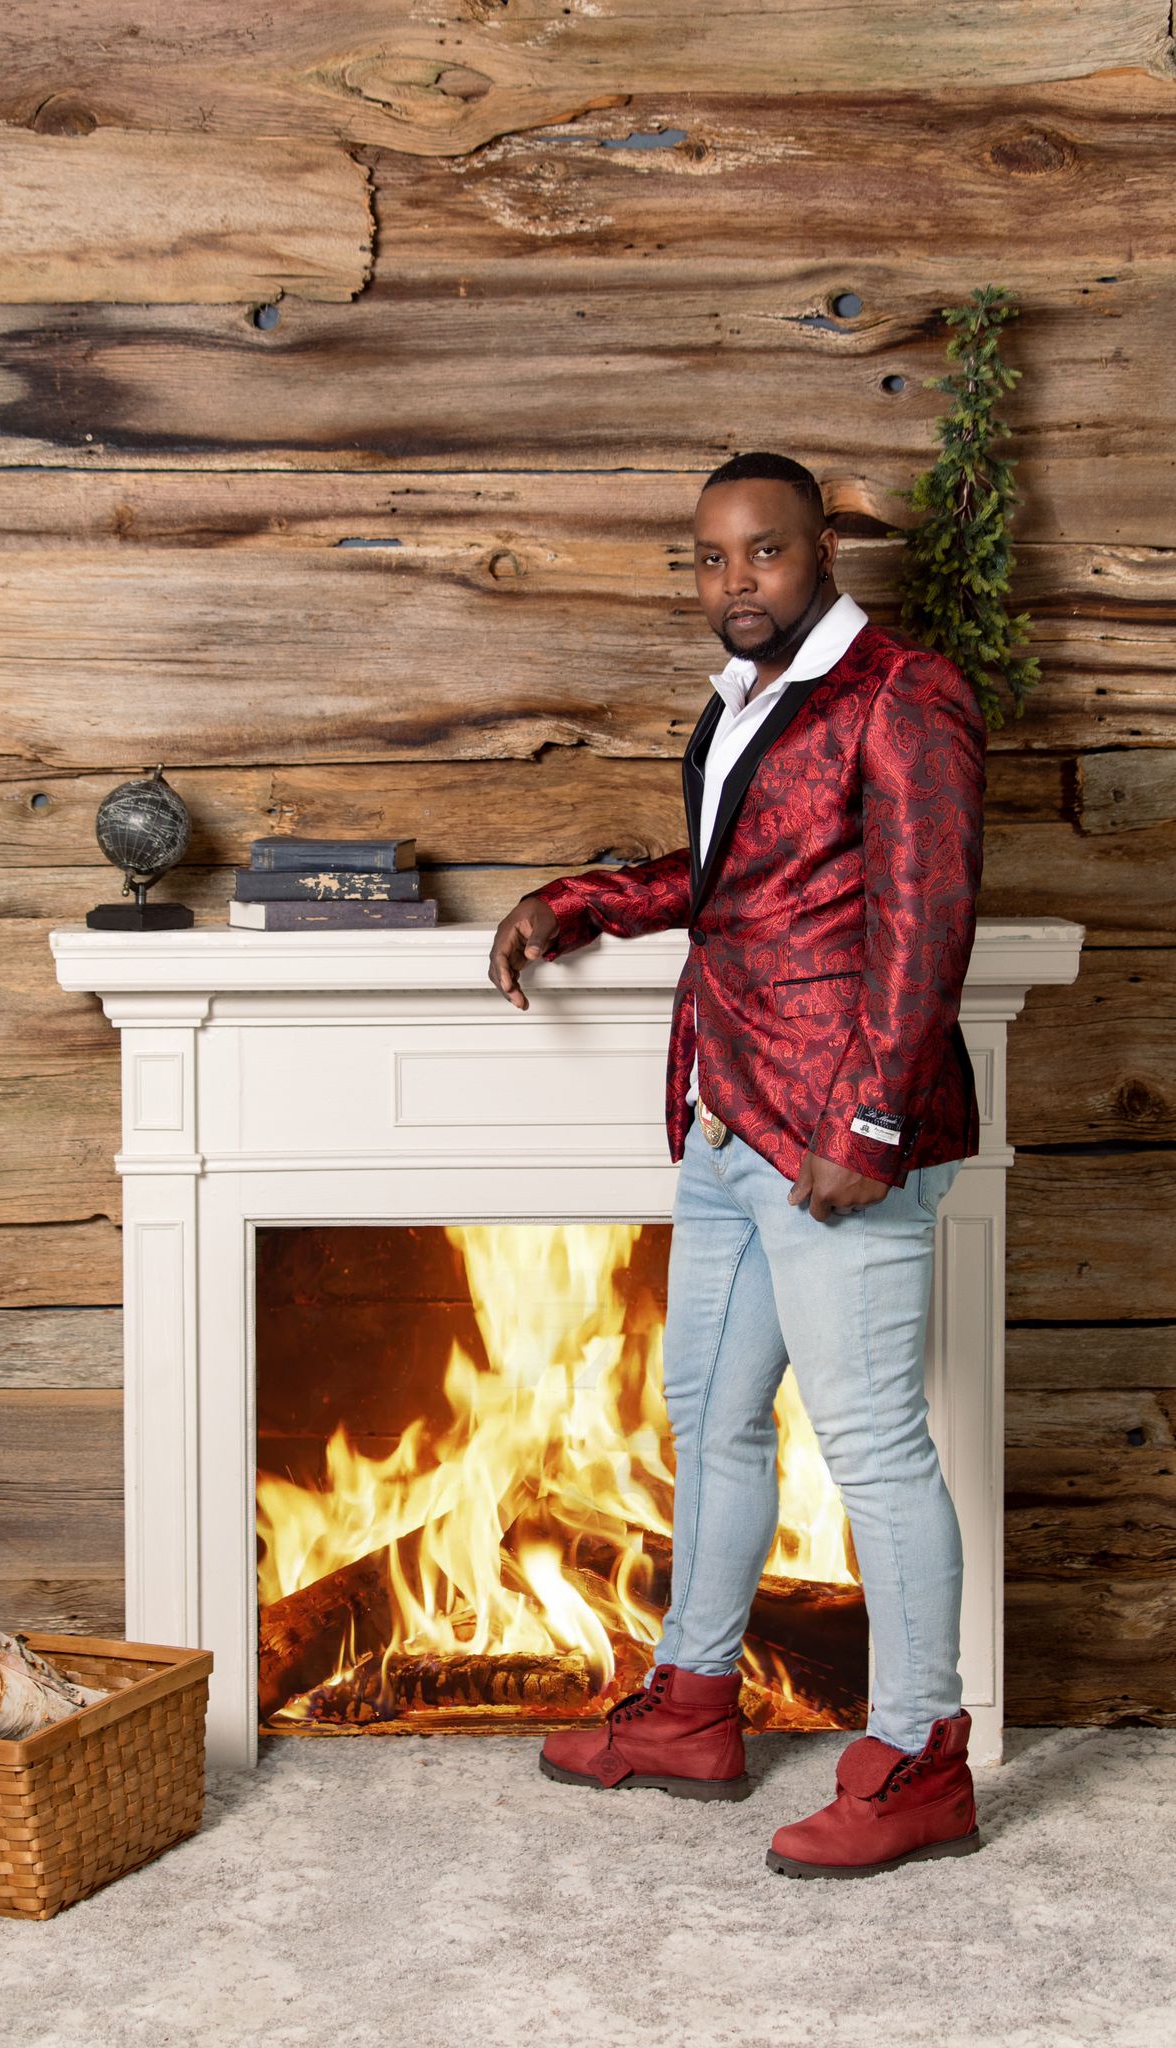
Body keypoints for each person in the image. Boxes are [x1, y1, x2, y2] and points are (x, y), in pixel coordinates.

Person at [487, 450, 987, 1880]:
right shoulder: (748, 702)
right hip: (721, 1117)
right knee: (709, 1418)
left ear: (822, 548)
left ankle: (920, 1761)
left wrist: (870, 1124)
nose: (734, 581)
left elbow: (928, 920)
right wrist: (579, 904)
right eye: (709, 558)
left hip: (831, 1137)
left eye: (762, 551)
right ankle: (693, 1708)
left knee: (872, 1443)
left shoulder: (902, 694)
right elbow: (735, 886)